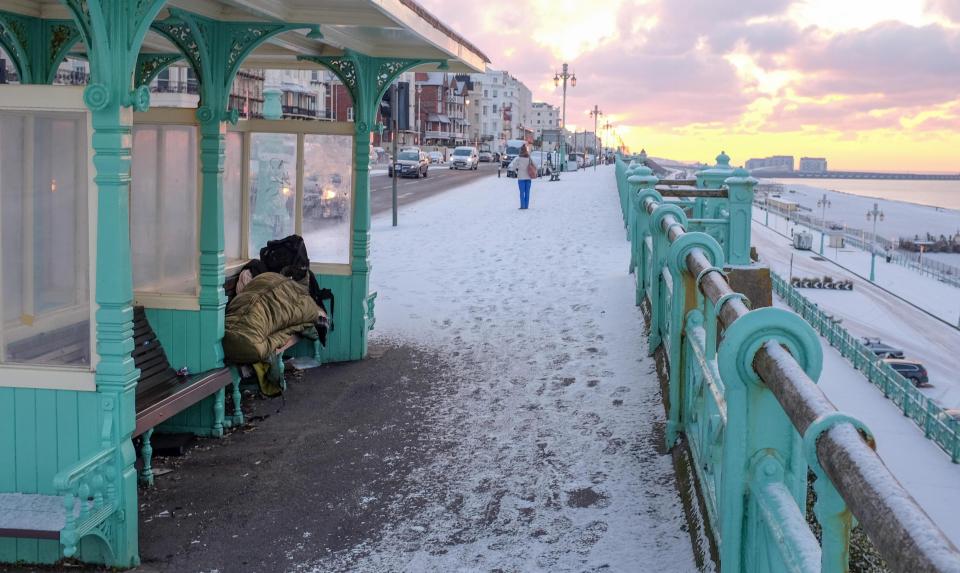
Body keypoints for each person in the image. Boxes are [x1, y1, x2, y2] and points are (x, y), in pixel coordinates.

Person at [509, 144, 536, 209]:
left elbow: (513, 168)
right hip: (528, 178)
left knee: (522, 193)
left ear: (520, 151)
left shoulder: (518, 159)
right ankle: (526, 206)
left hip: (521, 178)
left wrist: (516, 170)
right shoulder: (529, 158)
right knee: (527, 192)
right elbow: (535, 166)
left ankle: (522, 206)